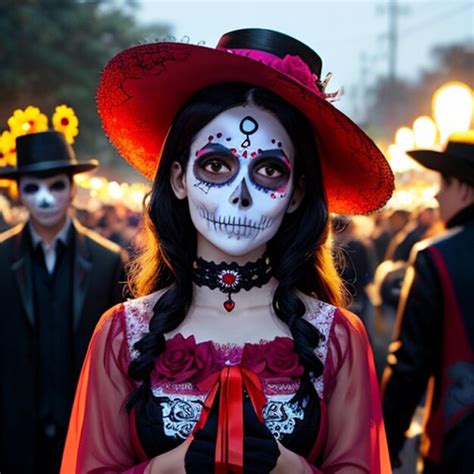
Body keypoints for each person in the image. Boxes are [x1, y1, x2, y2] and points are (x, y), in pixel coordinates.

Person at [61, 28, 393, 473]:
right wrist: (169, 467)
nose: (240, 195)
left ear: (296, 194)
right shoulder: (123, 334)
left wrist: (290, 468)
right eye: (216, 165)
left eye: (269, 170)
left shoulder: (337, 339)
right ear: (178, 179)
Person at [0, 130, 128, 474]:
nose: (45, 199)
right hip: (15, 432)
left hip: (87, 427)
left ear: (72, 189)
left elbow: (123, 356)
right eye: (32, 188)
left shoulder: (108, 261)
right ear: (19, 192)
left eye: (56, 186)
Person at [382, 132, 474, 473]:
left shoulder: (435, 257)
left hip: (456, 445)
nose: (436, 195)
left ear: (463, 188)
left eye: (443, 184)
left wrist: (386, 446)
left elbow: (409, 365)